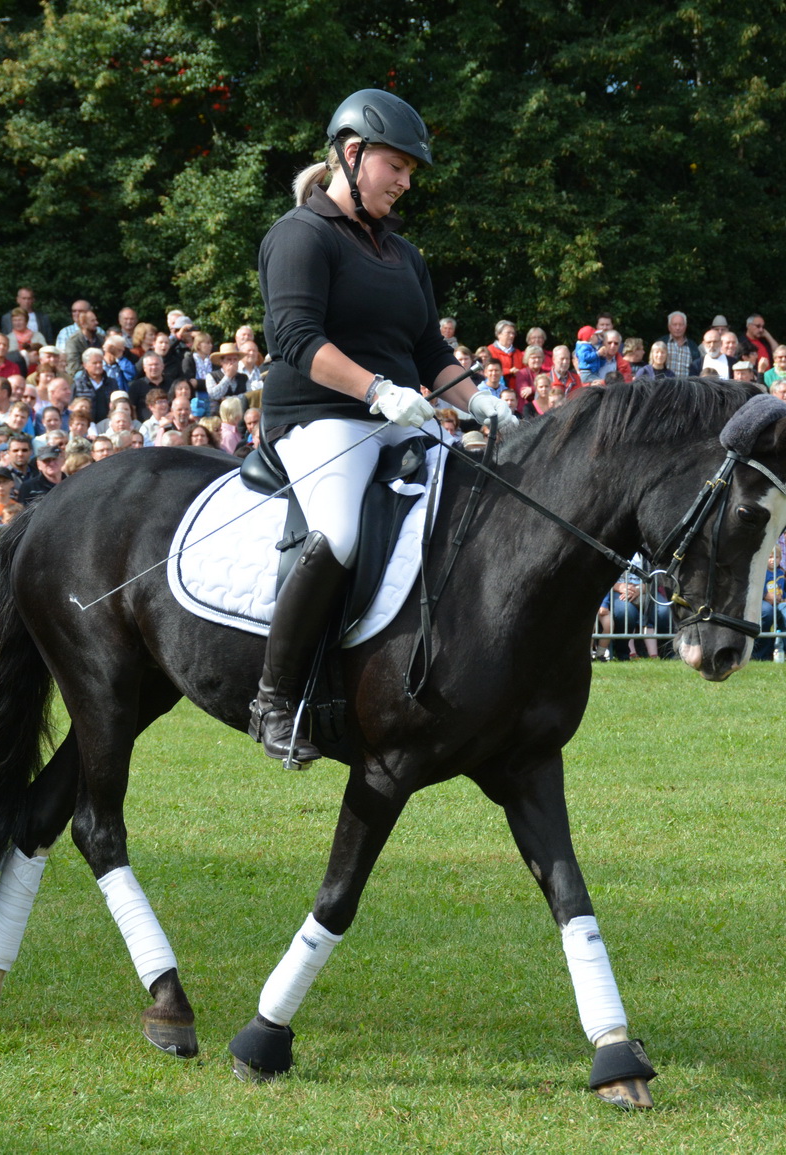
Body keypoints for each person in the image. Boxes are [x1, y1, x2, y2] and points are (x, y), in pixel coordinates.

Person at [249, 89, 511, 765]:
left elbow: (431, 355)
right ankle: (274, 700)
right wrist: (375, 389)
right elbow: (297, 339)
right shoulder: (299, 235)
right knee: (336, 532)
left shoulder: (404, 254)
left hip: (397, 414)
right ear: (352, 153)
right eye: (396, 165)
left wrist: (481, 401)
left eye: (412, 172)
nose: (405, 181)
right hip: (320, 417)